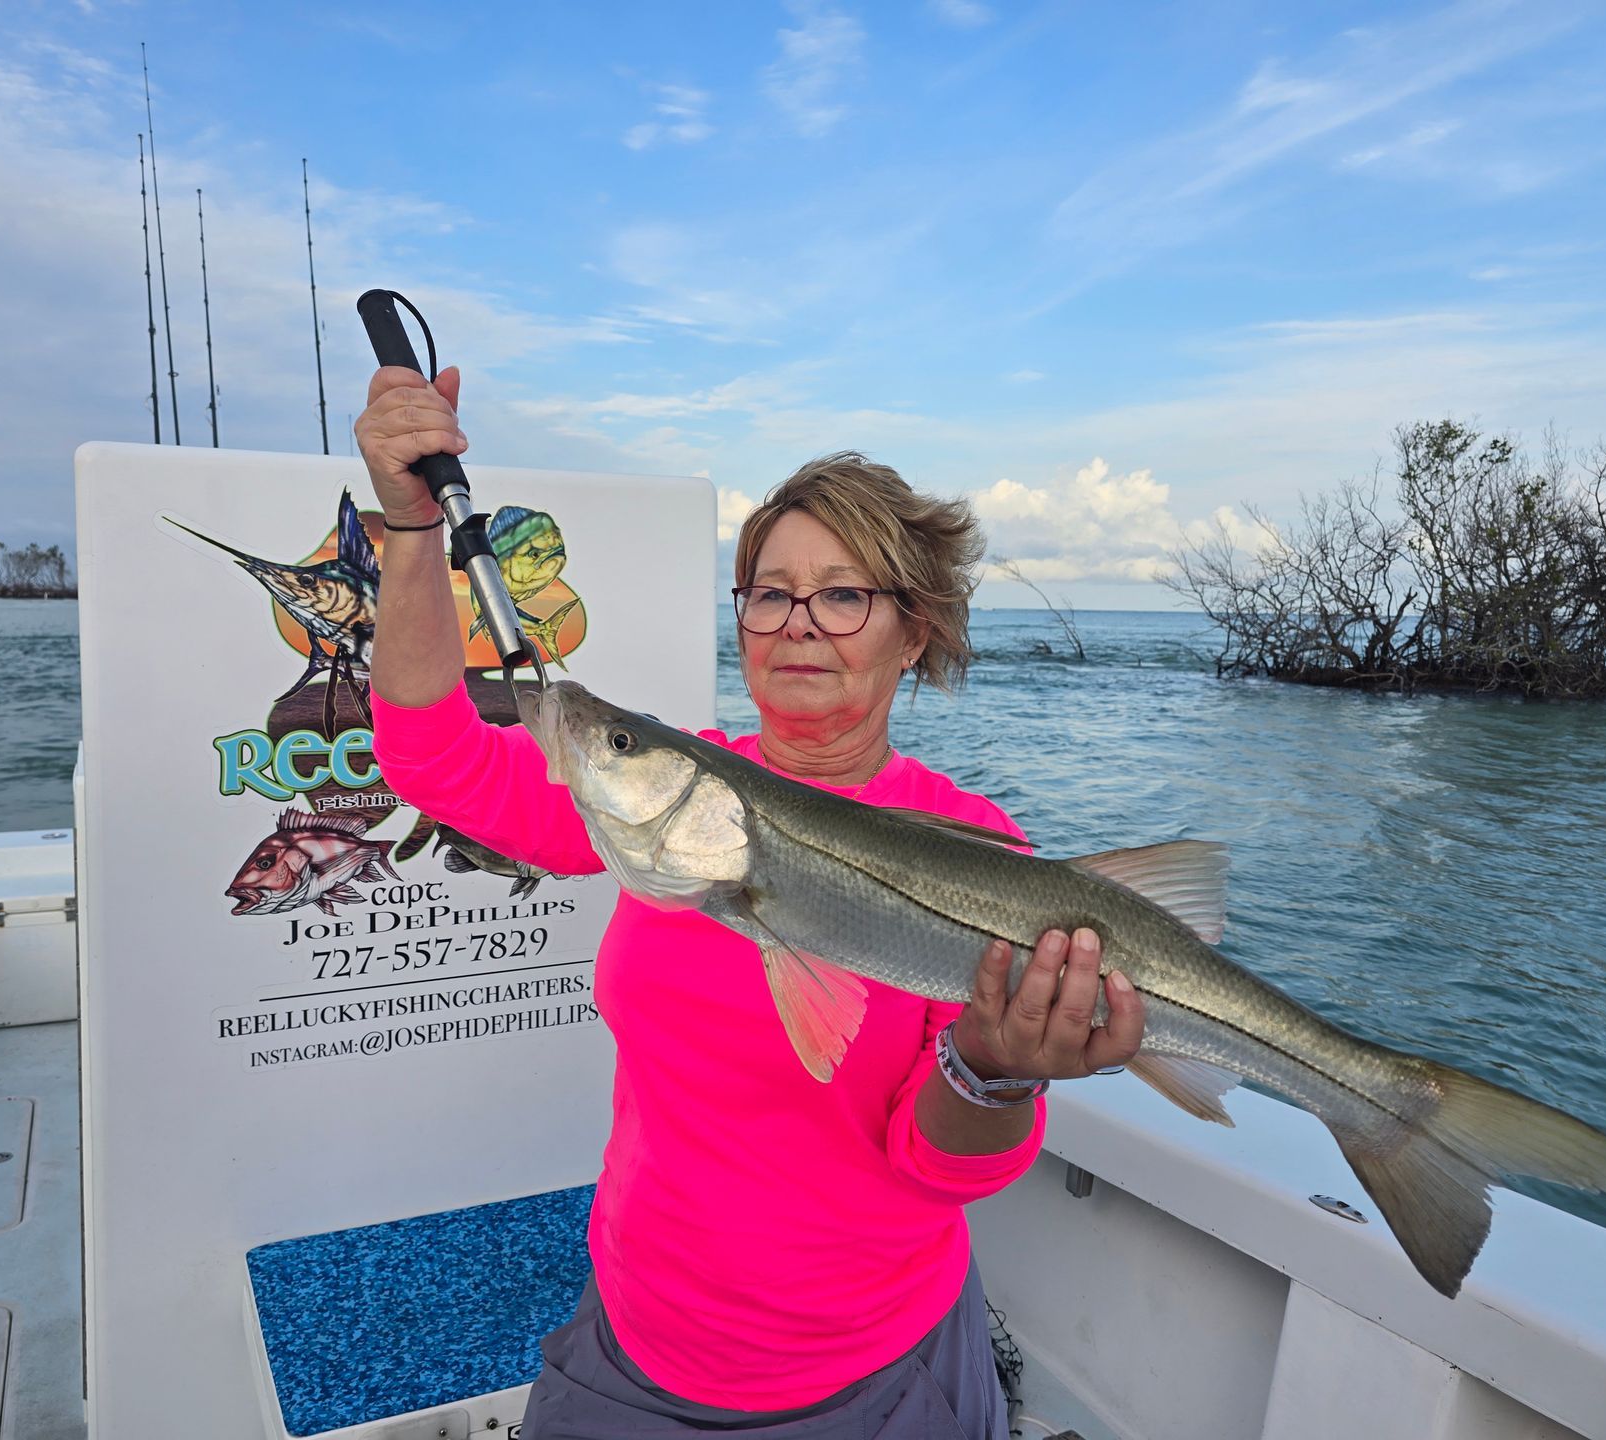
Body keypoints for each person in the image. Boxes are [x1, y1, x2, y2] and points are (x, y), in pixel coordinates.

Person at [355, 362, 1145, 1439]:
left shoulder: (981, 857)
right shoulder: (665, 803)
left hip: (873, 1375)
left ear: (913, 632)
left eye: (844, 593)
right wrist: (410, 528)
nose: (799, 623)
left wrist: (998, 1070)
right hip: (632, 1339)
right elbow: (430, 754)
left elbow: (939, 1160)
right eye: (770, 592)